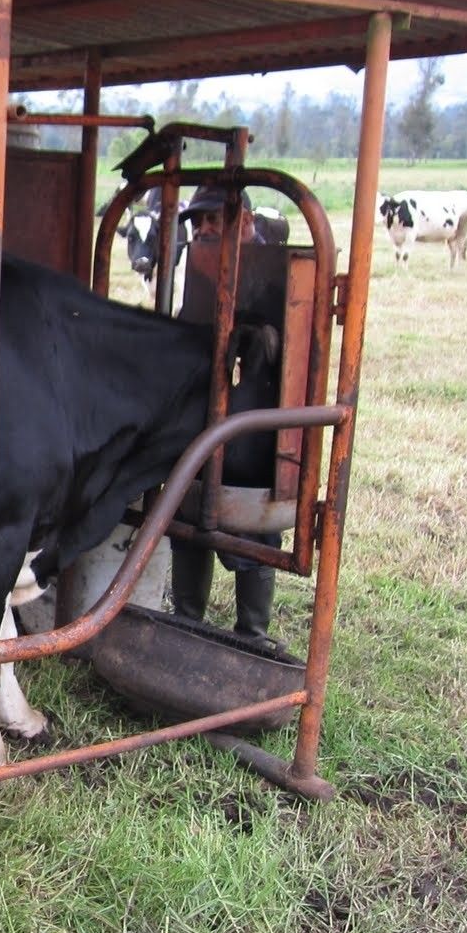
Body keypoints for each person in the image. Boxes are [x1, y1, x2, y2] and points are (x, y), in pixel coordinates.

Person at [170, 184, 285, 654]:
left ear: (248, 223)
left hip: (259, 425)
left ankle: (252, 635)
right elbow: (191, 320)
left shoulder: (278, 267)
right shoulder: (201, 265)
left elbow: (297, 341)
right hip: (206, 414)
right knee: (191, 513)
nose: (204, 231)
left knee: (255, 526)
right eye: (198, 224)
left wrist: (267, 340)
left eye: (214, 221)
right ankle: (185, 623)